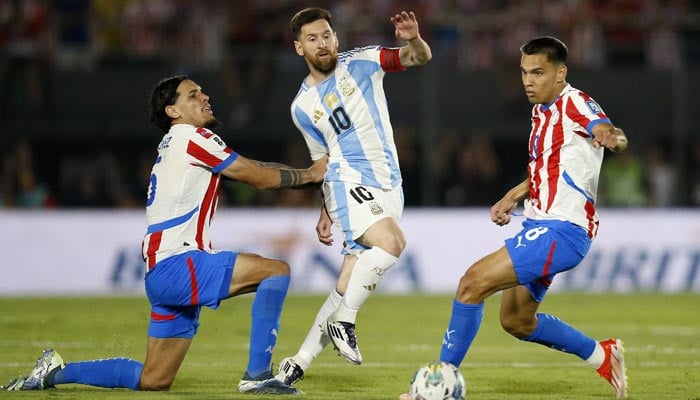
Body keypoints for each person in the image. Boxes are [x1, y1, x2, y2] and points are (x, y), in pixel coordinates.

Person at [3, 75, 327, 394]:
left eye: (202, 92)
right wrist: (310, 175)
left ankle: (56, 373)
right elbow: (259, 178)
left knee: (154, 379)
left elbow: (252, 164)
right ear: (173, 111)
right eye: (193, 94)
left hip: (161, 273)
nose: (204, 97)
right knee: (275, 271)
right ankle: (258, 377)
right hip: (180, 263)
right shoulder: (192, 136)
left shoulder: (179, 144)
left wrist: (311, 175)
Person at [399, 36, 629, 400]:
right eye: (524, 72)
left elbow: (606, 129)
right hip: (541, 224)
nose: (528, 81)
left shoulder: (577, 104)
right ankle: (602, 355)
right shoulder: (541, 110)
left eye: (538, 72)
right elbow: (548, 167)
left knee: (472, 283)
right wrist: (513, 195)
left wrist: (610, 137)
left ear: (560, 73)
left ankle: (438, 386)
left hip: (562, 230)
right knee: (517, 321)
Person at [274, 7, 432, 386]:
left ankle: (296, 363)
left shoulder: (363, 61)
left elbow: (418, 57)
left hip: (389, 184)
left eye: (326, 35)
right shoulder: (302, 107)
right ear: (299, 48)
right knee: (391, 243)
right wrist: (328, 206)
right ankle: (345, 321)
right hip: (348, 178)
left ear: (336, 37)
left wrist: (412, 37)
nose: (322, 43)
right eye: (312, 39)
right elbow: (321, 161)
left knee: (347, 282)